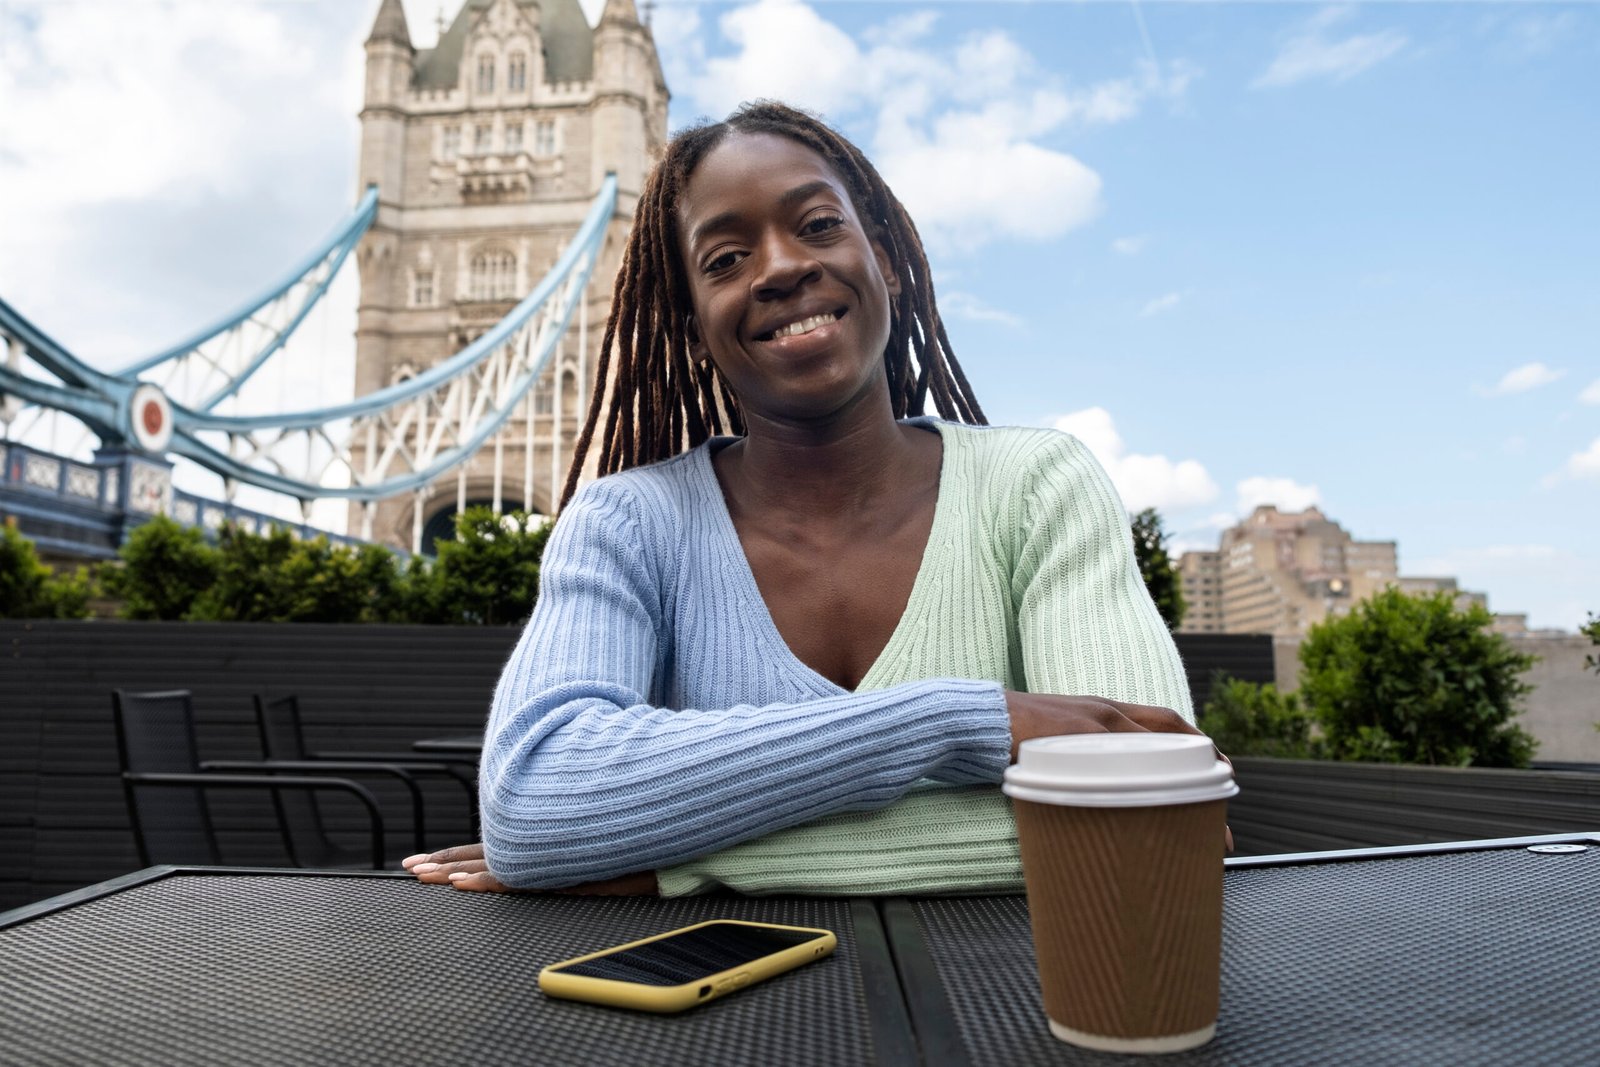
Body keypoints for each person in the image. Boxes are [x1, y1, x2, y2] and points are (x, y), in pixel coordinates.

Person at [403, 100, 1203, 897]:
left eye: (818, 224)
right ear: (689, 326)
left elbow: (1153, 810)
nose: (782, 267)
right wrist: (962, 723)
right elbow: (537, 802)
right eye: (723, 260)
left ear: (885, 260)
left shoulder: (1038, 488)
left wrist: (678, 864)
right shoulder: (625, 523)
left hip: (1018, 1015)